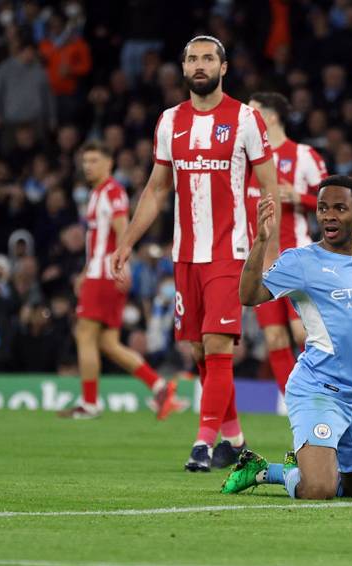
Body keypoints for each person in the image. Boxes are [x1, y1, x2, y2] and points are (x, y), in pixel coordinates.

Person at [110, 36, 280, 472]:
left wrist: (270, 250)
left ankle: (202, 444)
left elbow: (269, 185)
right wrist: (126, 242)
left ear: (224, 68)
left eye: (208, 58)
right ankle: (235, 440)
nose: (200, 65)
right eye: (192, 59)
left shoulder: (245, 119)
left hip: (231, 252)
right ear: (183, 68)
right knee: (201, 354)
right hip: (185, 255)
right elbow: (157, 189)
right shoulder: (169, 121)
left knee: (216, 344)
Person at [222, 161, 352, 500]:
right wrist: (260, 241)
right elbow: (248, 296)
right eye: (322, 208)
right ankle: (264, 471)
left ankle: (303, 462)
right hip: (317, 389)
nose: (328, 215)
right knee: (318, 489)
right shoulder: (301, 263)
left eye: (339, 208)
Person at [57, 141, 177, 420]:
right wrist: (86, 272)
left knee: (84, 334)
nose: (88, 166)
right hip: (98, 273)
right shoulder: (98, 193)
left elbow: (122, 229)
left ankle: (89, 403)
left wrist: (121, 266)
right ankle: (159, 387)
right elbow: (99, 241)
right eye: (85, 161)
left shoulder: (112, 192)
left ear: (109, 163)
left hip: (105, 275)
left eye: (94, 160)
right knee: (108, 343)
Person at [245, 91, 328, 393]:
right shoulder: (247, 161)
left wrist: (298, 197)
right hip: (261, 263)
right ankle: (293, 404)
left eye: (253, 113)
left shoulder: (304, 155)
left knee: (302, 335)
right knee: (274, 339)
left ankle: (323, 396)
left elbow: (332, 201)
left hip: (297, 258)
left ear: (271, 117)